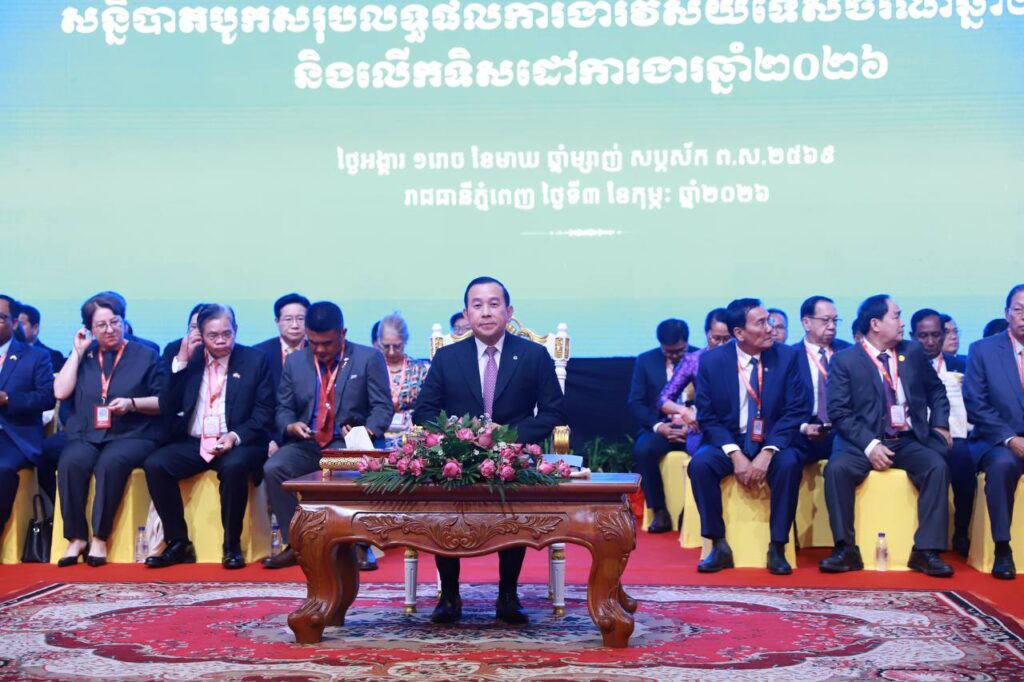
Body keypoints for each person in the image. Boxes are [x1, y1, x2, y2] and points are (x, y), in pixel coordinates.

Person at [413, 276, 565, 625]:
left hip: (512, 453)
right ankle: (449, 594)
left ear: (508, 312)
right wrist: (462, 435)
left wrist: (507, 435)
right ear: (466, 313)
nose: (485, 312)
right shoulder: (448, 357)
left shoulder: (533, 355)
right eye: (477, 305)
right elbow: (424, 412)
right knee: (445, 497)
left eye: (494, 304)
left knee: (514, 495)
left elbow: (554, 413)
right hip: (458, 455)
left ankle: (508, 594)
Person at [820, 295, 953, 577]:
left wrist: (940, 425)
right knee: (837, 469)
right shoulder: (845, 360)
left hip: (906, 439)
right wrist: (870, 445)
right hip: (861, 442)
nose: (902, 323)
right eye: (896, 316)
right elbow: (839, 412)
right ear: (875, 324)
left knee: (936, 466)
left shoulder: (912, 352)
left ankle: (926, 551)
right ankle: (845, 549)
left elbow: (936, 390)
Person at [262, 301, 393, 570]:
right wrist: (290, 426)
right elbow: (283, 408)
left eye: (327, 343)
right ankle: (296, 543)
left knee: (353, 470)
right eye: (313, 343)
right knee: (274, 468)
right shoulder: (296, 362)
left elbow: (382, 407)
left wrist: (366, 431)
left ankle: (359, 544)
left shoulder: (367, 358)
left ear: (342, 333)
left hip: (347, 444)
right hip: (308, 442)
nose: (320, 350)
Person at [143, 304, 275, 569]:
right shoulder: (182, 355)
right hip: (194, 441)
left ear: (236, 330)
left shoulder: (254, 360)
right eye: (213, 335)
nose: (221, 341)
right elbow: (167, 404)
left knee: (235, 467)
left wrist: (234, 436)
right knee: (156, 465)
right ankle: (178, 542)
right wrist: (182, 361)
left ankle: (231, 546)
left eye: (227, 333)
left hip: (238, 441)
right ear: (200, 335)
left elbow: (264, 412)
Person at [688, 298, 807, 575]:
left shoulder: (787, 356)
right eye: (761, 323)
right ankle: (718, 544)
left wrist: (768, 451)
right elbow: (707, 415)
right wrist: (735, 453)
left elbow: (795, 409)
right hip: (730, 439)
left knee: (789, 464)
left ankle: (778, 546)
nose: (771, 328)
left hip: (773, 439)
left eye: (770, 321)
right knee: (700, 465)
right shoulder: (712, 361)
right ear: (739, 333)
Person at [53, 292, 165, 567]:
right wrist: (77, 352)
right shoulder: (84, 355)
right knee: (70, 462)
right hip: (88, 432)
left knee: (110, 462)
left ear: (124, 322)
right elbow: (60, 391)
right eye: (101, 325)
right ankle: (76, 538)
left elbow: (163, 401)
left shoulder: (146, 354)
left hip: (133, 432)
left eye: (115, 322)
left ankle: (100, 538)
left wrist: (132, 403)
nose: (110, 330)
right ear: (89, 329)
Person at [963, 284, 1024, 579]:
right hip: (998, 440)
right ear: (1007, 313)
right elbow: (976, 404)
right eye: (1019, 310)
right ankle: (1002, 549)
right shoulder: (983, 350)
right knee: (1002, 465)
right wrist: (1010, 439)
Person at [911, 307, 974, 556]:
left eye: (936, 335)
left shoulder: (963, 365)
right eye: (923, 336)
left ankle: (961, 530)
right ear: (913, 336)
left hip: (956, 434)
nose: (930, 342)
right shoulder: (902, 364)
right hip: (915, 436)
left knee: (963, 458)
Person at [629, 319, 691, 533]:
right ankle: (660, 511)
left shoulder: (700, 358)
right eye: (669, 352)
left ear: (687, 342)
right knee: (643, 449)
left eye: (679, 351)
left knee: (706, 452)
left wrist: (693, 426)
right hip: (661, 427)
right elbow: (636, 402)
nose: (675, 356)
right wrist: (658, 427)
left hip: (694, 427)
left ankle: (689, 513)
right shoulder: (646, 361)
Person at [0, 295, 55, 535]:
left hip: (14, 436)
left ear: (13, 323)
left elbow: (46, 397)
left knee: (1, 469)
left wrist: (8, 399)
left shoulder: (35, 356)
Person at [793, 296, 851, 464]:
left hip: (843, 430)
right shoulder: (790, 356)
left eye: (835, 321)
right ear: (806, 323)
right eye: (825, 320)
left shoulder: (849, 351)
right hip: (804, 430)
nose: (832, 326)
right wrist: (803, 427)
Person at [377, 313, 430, 431]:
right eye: (386, 346)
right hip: (378, 431)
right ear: (379, 341)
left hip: (413, 430)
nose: (391, 352)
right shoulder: (373, 368)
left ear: (405, 340)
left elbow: (428, 406)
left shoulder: (419, 369)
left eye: (397, 346)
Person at [254, 293, 310, 392]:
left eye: (301, 319)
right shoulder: (259, 353)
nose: (295, 325)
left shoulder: (317, 351)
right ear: (277, 321)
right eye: (288, 319)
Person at [17, 304, 65, 372]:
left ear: (35, 328)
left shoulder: (53, 357)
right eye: (13, 323)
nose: (15, 328)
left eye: (20, 324)